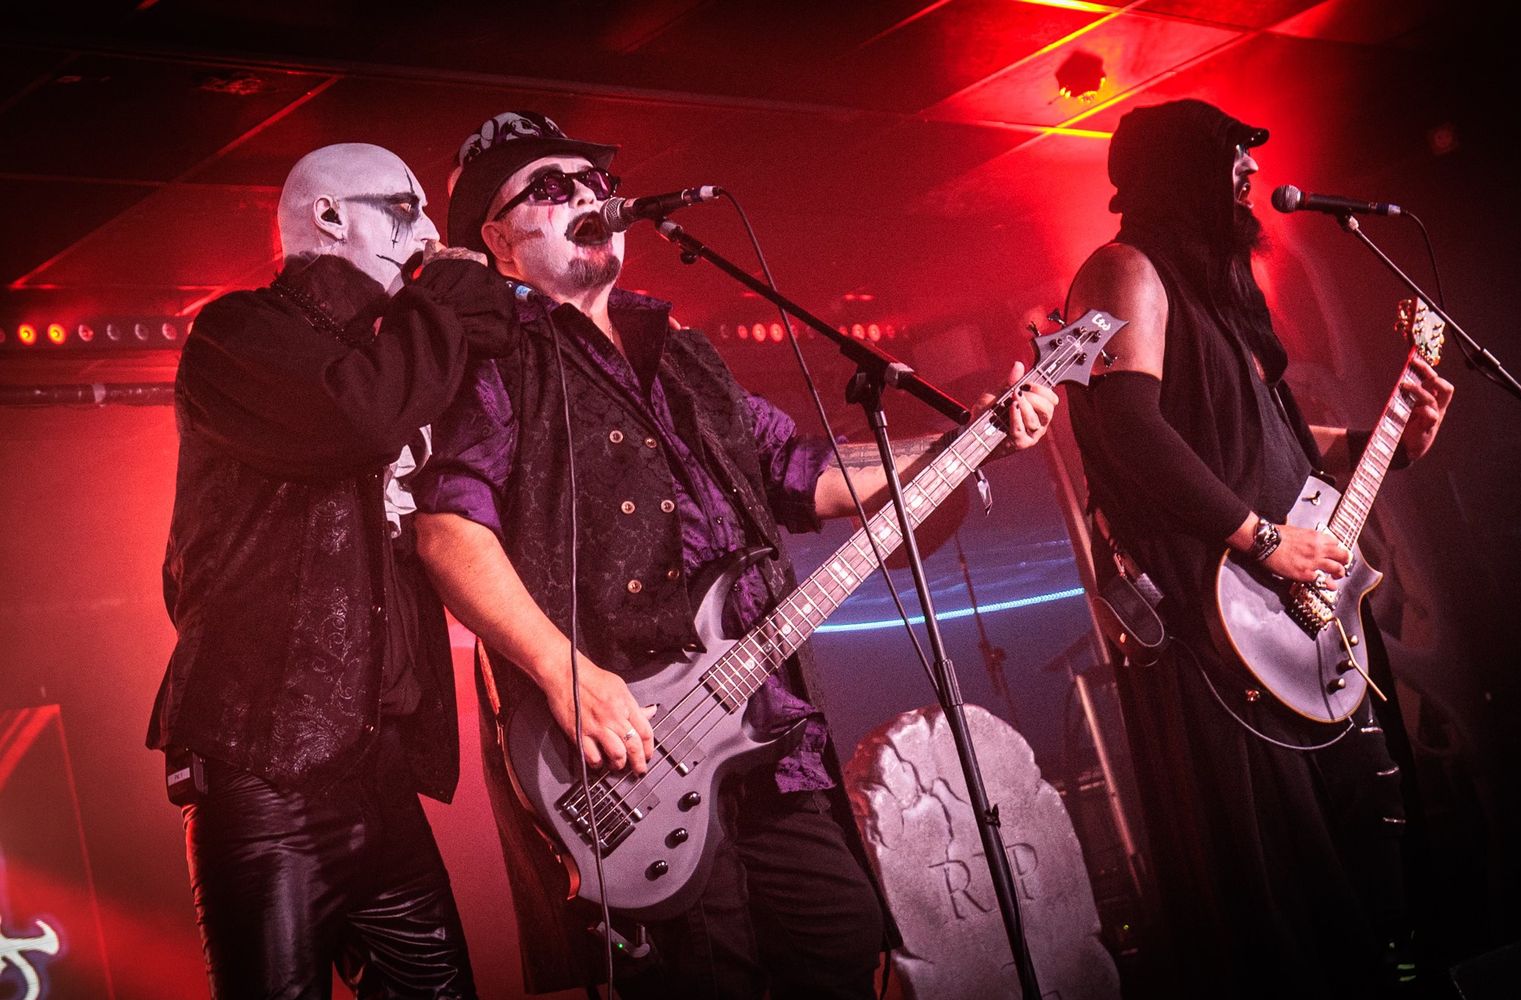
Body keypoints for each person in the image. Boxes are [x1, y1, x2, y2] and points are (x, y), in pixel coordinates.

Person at [411, 111, 1059, 998]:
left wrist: (971, 440)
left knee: (840, 937)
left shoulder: (685, 355)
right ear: (497, 239)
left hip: (766, 733)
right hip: (634, 749)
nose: (587, 198)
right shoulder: (493, 362)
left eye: (594, 183)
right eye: (551, 189)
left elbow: (809, 474)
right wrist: (566, 672)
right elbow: (448, 530)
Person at [1063, 99, 1454, 997]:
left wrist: (1393, 442)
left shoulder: (1221, 299)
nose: (1248, 168)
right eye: (1230, 151)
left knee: (1371, 859)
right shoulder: (1124, 270)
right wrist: (1264, 540)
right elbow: (1129, 429)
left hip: (1296, 617)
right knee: (1284, 888)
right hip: (1220, 626)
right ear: (1177, 169)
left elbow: (1276, 450)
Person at [148, 141, 516, 998]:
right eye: (406, 210)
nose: (428, 233)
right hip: (268, 779)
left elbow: (488, 327)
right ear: (329, 216)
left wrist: (451, 300)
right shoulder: (237, 336)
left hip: (378, 777)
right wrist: (441, 297)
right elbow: (361, 418)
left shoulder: (395, 347)